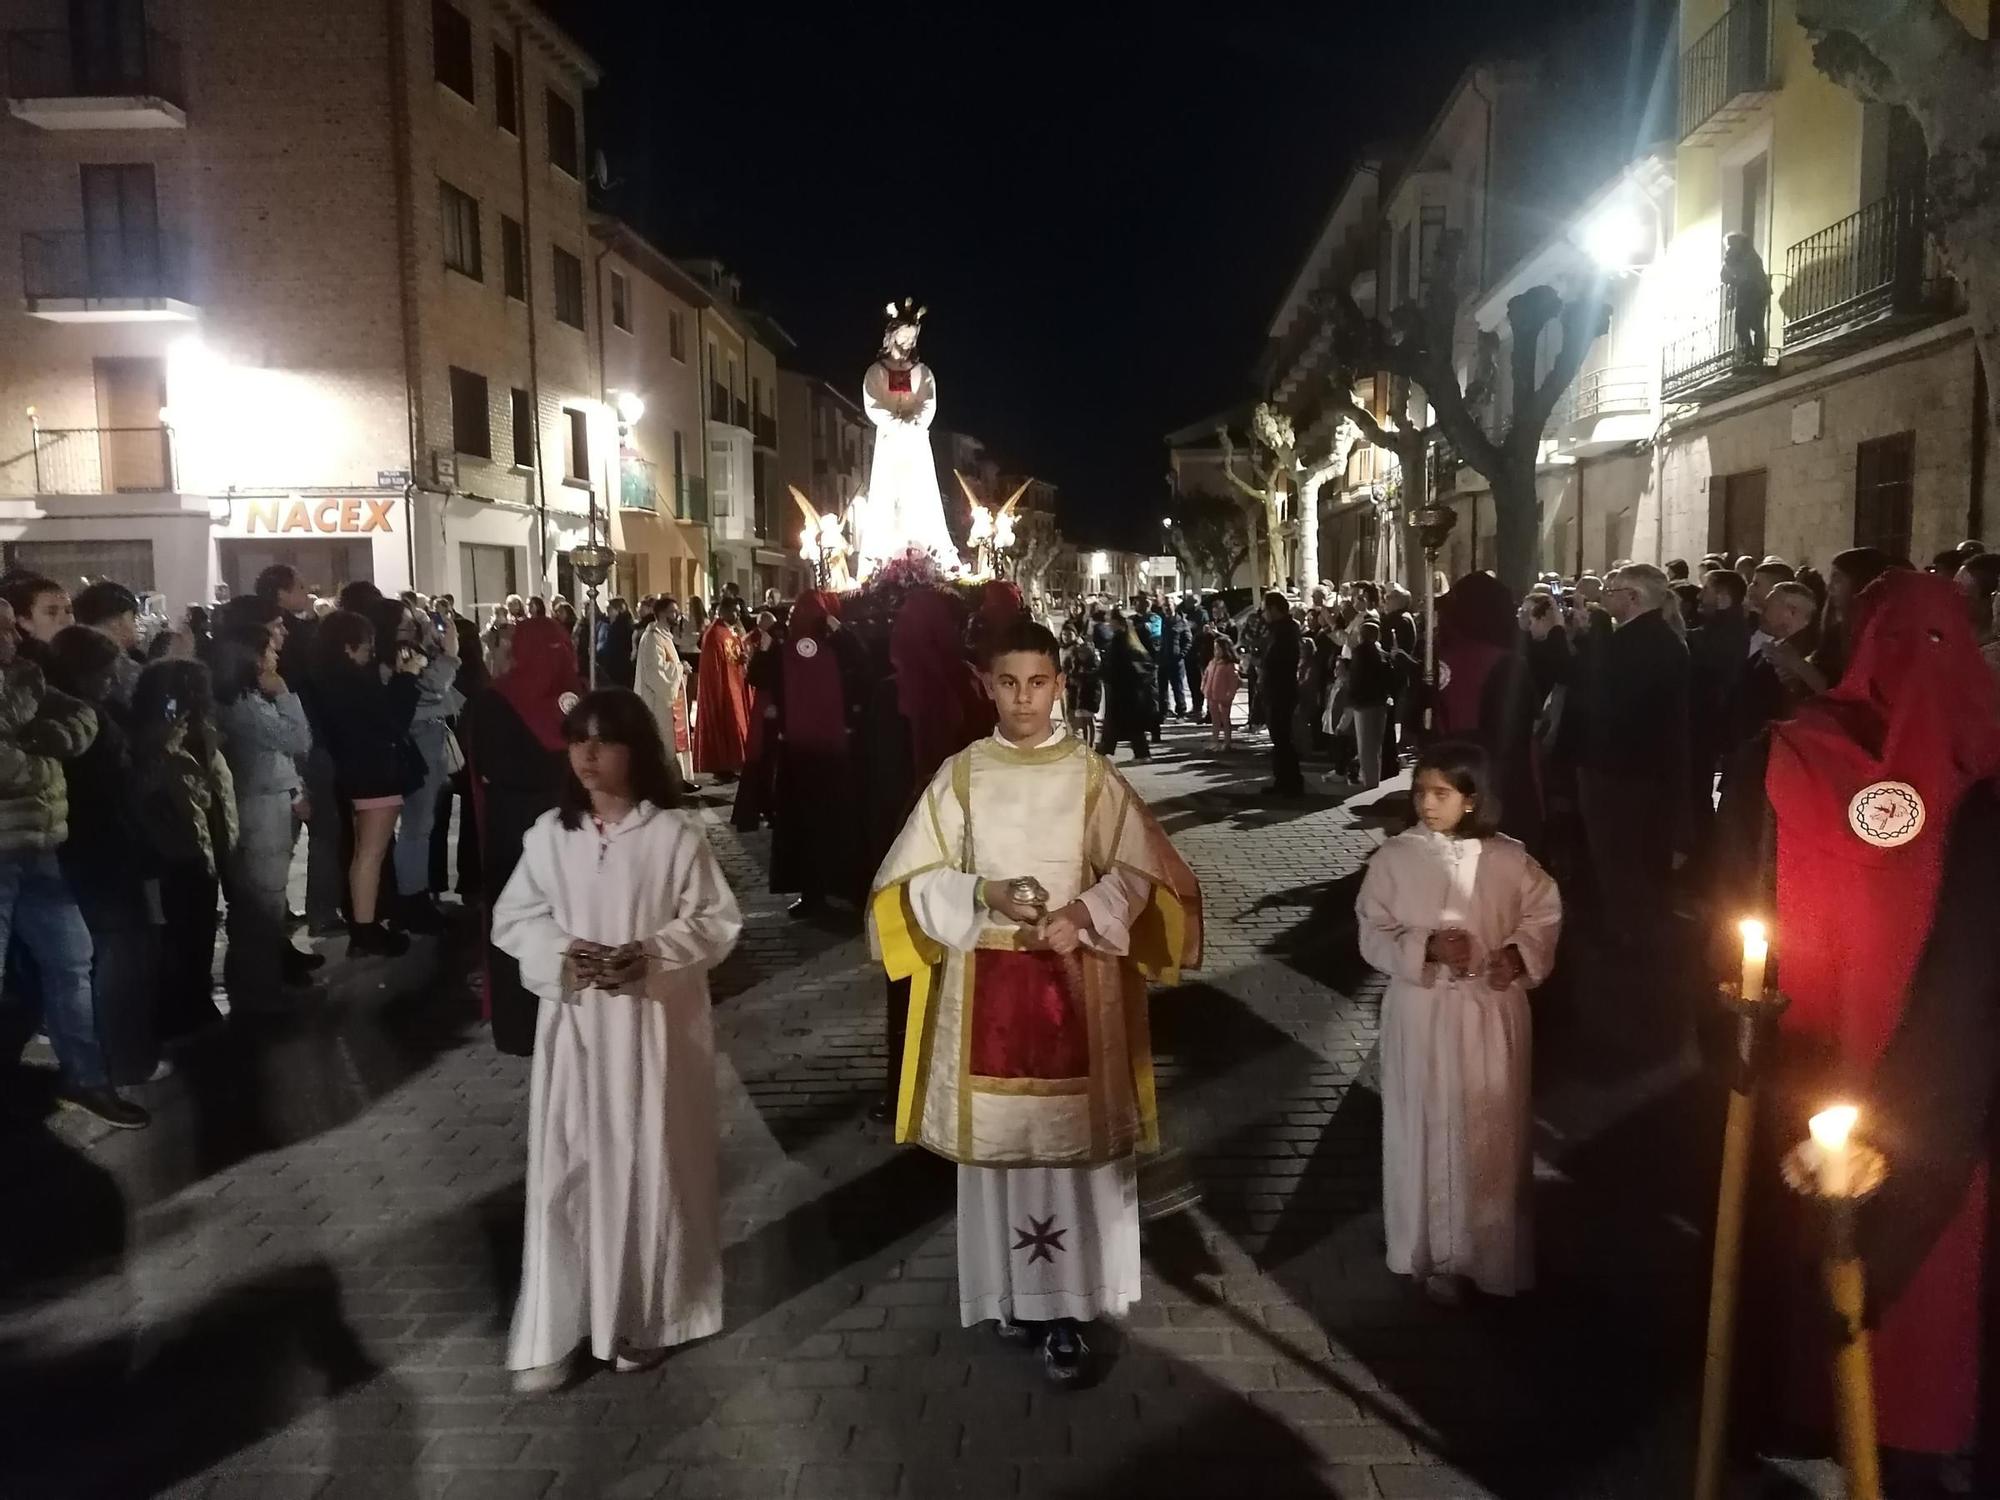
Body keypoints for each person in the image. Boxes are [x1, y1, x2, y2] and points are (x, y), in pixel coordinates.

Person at [1712, 571, 2000, 1479]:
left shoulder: (1791, 756)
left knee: (1796, 1226)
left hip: (1808, 1060)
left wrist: (1726, 1023)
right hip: (1950, 1082)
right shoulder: (1989, 762)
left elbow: (1729, 901)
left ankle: (1809, 1406)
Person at [867, 618, 1202, 1386]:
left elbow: (1141, 873)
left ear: (1060, 684)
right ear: (986, 684)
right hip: (986, 989)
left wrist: (1082, 914)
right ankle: (1010, 1296)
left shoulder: (1090, 776)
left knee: (1072, 1153)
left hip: (1076, 984)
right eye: (1009, 682)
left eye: (1039, 682)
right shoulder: (961, 776)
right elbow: (911, 881)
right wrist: (982, 890)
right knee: (1002, 1156)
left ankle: (1069, 1308)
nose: (1024, 698)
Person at [492, 689, 742, 1392]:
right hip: (575, 1034)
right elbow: (515, 918)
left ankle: (645, 1314)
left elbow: (715, 922)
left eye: (605, 742)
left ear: (639, 750)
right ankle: (560, 1322)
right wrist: (565, 954)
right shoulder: (549, 836)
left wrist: (651, 955)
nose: (589, 757)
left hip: (653, 1033)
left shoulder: (674, 837)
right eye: (578, 742)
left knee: (649, 1163)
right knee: (569, 1171)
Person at [1357, 741, 1560, 1303]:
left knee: (1488, 1128)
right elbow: (1372, 931)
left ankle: (1488, 1253)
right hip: (1421, 1016)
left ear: (1472, 799)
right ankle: (1426, 1249)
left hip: (1487, 1016)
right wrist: (1423, 947)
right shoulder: (1394, 859)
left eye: (1441, 793)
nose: (1427, 803)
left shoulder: (1511, 860)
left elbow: (1543, 916)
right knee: (1423, 1123)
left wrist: (1515, 955)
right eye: (1420, 792)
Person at [45, 626, 160, 1090]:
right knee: (118, 960)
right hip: (103, 850)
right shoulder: (83, 720)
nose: (113, 681)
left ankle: (107, 1061)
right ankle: (124, 1063)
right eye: (106, 674)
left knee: (96, 962)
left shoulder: (73, 712)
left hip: (87, 848)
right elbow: (112, 788)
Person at [463, 616, 583, 1056]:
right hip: (569, 825)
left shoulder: (496, 699)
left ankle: (522, 1024)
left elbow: (490, 769)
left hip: (515, 826)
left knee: (520, 921)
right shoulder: (582, 695)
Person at [212, 621, 320, 1007]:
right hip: (259, 806)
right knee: (263, 897)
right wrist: (287, 694)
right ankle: (257, 984)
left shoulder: (244, 698)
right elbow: (296, 739)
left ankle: (263, 976)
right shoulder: (241, 703)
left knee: (264, 897)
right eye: (268, 651)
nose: (276, 656)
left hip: (267, 797)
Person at [130, 657, 236, 1042]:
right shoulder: (152, 738)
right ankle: (181, 1008)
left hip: (196, 845)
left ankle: (194, 1001)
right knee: (181, 933)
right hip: (173, 850)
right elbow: (144, 791)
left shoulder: (196, 732)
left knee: (198, 928)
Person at [311, 608, 421, 956]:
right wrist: (407, 679)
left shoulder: (324, 679)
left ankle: (364, 927)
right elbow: (392, 722)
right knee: (371, 854)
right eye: (366, 644)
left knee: (362, 853)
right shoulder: (354, 683)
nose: (370, 651)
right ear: (348, 646)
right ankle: (366, 930)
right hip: (375, 773)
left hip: (352, 773)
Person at [769, 590, 866, 917]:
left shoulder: (793, 650)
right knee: (823, 823)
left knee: (810, 825)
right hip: (823, 752)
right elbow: (861, 658)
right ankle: (820, 892)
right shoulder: (824, 648)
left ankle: (819, 892)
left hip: (806, 752)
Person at [374, 598, 462, 933]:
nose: (412, 629)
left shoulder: (408, 653)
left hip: (427, 742)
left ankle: (414, 896)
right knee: (416, 827)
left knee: (419, 826)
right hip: (417, 744)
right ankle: (412, 900)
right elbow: (431, 691)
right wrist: (450, 655)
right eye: (406, 625)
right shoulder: (388, 663)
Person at [633, 597, 693, 781]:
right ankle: (668, 781)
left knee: (673, 741)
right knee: (664, 741)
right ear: (661, 613)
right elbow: (655, 672)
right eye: (673, 612)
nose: (677, 615)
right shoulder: (652, 638)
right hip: (658, 700)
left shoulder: (663, 635)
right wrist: (680, 668)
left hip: (669, 698)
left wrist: (680, 666)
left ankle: (679, 778)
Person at [693, 600, 749, 782]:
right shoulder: (715, 634)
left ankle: (731, 764)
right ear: (724, 612)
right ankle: (721, 767)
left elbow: (732, 655)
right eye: (735, 612)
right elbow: (713, 667)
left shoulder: (728, 631)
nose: (738, 616)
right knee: (723, 725)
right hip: (722, 687)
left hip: (732, 684)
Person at [1259, 591, 1304, 796]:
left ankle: (1290, 782)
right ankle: (1284, 780)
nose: (1263, 613)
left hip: (1281, 690)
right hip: (1275, 689)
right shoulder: (1277, 629)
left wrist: (1262, 665)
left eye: (1266, 609)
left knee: (1282, 738)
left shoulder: (1286, 630)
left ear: (1275, 609)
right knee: (1280, 738)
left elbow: (1278, 660)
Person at [72, 580, 144, 708]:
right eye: (133, 618)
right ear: (116, 622)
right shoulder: (123, 670)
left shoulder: (69, 661)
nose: (137, 626)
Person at [1099, 609, 1155, 764]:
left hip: (1126, 690)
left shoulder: (1123, 639)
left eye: (1110, 620)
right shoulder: (1125, 638)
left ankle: (1142, 754)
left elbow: (1122, 664)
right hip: (1125, 689)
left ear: (1117, 622)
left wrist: (1106, 674)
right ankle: (1105, 749)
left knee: (1130, 723)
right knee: (1119, 722)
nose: (1108, 624)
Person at [1060, 623, 1100, 750]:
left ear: (1075, 635)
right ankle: (1073, 739)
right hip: (1065, 684)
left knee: (1078, 717)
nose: (1066, 637)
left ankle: (1080, 741)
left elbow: (1078, 668)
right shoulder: (1062, 648)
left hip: (1078, 687)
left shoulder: (1079, 648)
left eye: (1069, 634)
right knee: (1067, 714)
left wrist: (1072, 675)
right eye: (1064, 634)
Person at [1202, 634, 1241, 752]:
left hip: (1223, 697)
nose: (1216, 651)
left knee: (1225, 720)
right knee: (1215, 720)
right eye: (1215, 649)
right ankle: (1214, 741)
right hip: (1212, 696)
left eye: (1218, 649)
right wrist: (1204, 688)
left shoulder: (1229, 665)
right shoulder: (1212, 663)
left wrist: (1229, 696)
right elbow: (1206, 676)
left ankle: (1227, 742)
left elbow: (1233, 683)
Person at [596, 596, 637, 688]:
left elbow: (615, 648)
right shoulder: (614, 625)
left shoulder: (620, 627)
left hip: (619, 668)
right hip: (617, 667)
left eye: (610, 609)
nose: (608, 613)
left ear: (618, 610)